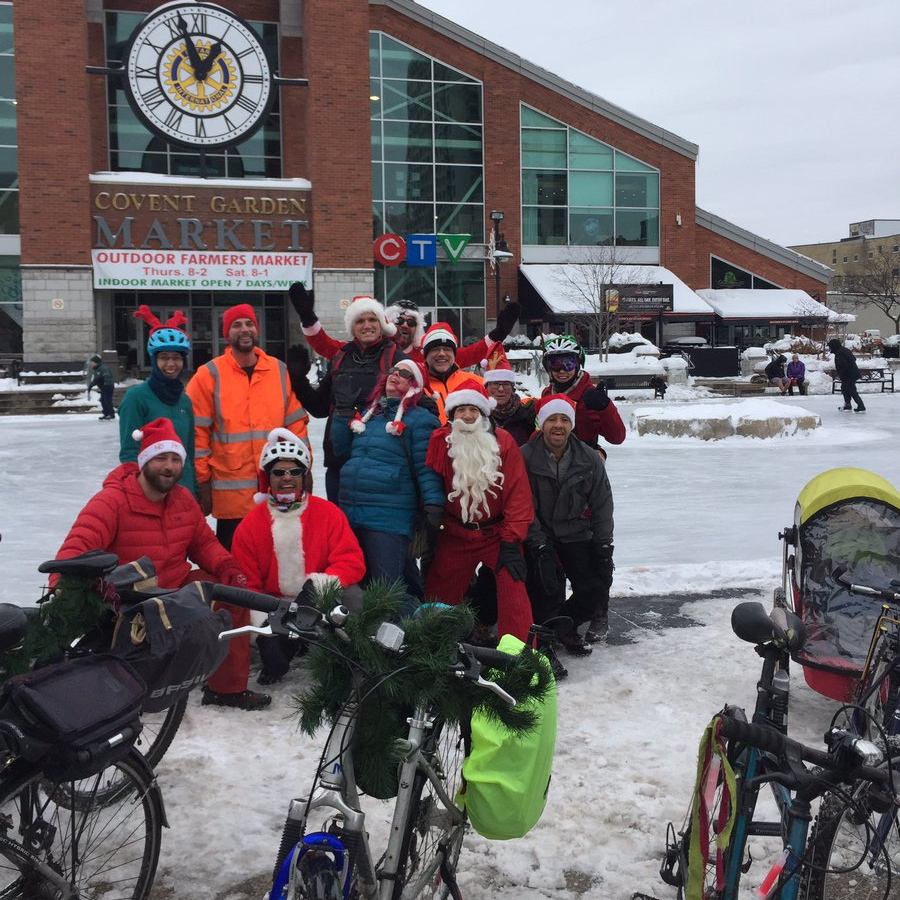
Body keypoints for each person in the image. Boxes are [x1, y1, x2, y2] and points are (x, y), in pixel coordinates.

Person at [53, 418, 271, 711]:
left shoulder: (182, 499)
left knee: (225, 592)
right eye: (160, 458)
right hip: (131, 596)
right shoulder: (112, 501)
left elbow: (203, 543)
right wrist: (62, 590)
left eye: (174, 459)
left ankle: (226, 688)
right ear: (144, 461)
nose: (168, 466)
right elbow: (75, 548)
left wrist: (227, 566)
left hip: (175, 587)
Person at [231, 429, 366, 685]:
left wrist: (316, 588)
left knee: (354, 597)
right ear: (267, 478)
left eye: (294, 472)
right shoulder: (250, 525)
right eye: (278, 472)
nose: (287, 478)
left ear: (304, 477)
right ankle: (277, 645)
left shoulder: (328, 513)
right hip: (273, 605)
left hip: (317, 601)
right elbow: (245, 582)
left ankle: (349, 661)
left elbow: (351, 561)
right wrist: (262, 631)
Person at [185, 303, 310, 550]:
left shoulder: (277, 369)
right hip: (231, 497)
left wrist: (304, 467)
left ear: (257, 329)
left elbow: (295, 424)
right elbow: (197, 434)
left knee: (277, 562)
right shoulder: (208, 374)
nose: (244, 329)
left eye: (249, 323)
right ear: (226, 334)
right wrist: (202, 483)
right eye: (236, 325)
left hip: (277, 488)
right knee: (234, 567)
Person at [423, 379, 534, 642]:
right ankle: (432, 649)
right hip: (455, 533)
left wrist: (511, 540)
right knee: (438, 594)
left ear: (484, 414)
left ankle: (518, 655)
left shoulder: (504, 442)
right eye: (461, 410)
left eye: (474, 410)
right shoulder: (440, 442)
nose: (468, 415)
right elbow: (429, 481)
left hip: (497, 534)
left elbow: (518, 496)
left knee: (513, 588)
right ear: (451, 415)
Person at [331, 358, 443, 599]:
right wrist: (342, 412)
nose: (395, 375)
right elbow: (340, 451)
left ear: (416, 384)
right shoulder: (370, 415)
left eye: (405, 373)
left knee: (384, 591)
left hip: (388, 517)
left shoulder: (420, 419)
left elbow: (427, 467)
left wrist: (434, 505)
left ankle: (403, 633)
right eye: (393, 370)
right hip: (353, 512)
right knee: (362, 584)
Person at [521, 395, 615, 676]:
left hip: (575, 533)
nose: (558, 425)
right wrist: (537, 542)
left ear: (571, 425)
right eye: (552, 419)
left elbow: (602, 503)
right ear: (542, 423)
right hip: (541, 534)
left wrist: (603, 543)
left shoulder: (588, 458)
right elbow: (521, 505)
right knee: (545, 583)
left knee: (597, 585)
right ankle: (543, 643)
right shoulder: (524, 456)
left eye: (564, 420)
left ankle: (565, 627)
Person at [288, 294, 407, 502]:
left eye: (372, 320)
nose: (367, 325)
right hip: (339, 463)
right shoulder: (341, 357)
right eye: (360, 321)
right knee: (339, 526)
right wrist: (299, 381)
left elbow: (412, 405)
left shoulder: (397, 358)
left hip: (379, 461)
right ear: (352, 328)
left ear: (381, 324)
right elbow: (320, 408)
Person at [288, 280, 521, 366]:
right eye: (400, 319)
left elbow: (469, 355)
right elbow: (326, 346)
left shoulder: (426, 354)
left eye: (411, 321)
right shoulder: (370, 350)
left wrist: (498, 333)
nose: (405, 325)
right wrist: (309, 319)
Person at [118, 306, 196, 496]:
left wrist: (196, 490)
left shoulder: (184, 401)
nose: (171, 364)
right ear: (154, 360)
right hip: (151, 492)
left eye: (176, 358)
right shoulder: (136, 397)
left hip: (183, 493)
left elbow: (189, 452)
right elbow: (129, 452)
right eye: (164, 358)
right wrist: (137, 494)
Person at [540, 335, 625, 454]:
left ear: (579, 364)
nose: (562, 371)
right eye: (555, 365)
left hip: (583, 465)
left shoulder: (590, 396)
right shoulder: (547, 394)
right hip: (550, 465)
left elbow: (617, 437)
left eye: (568, 364)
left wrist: (606, 408)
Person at [420, 323, 490, 423]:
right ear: (426, 355)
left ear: (454, 354)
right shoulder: (415, 385)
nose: (441, 354)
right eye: (435, 349)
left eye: (447, 349)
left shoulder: (476, 382)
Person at [484, 351, 536, 446]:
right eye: (495, 384)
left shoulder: (526, 416)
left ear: (512, 389)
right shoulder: (477, 416)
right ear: (486, 388)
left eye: (506, 384)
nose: (501, 389)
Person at [828, 338, 866, 412]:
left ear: (834, 346)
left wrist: (841, 374)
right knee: (845, 389)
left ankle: (861, 405)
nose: (830, 349)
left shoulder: (840, 353)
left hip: (849, 375)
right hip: (850, 374)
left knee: (851, 390)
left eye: (830, 347)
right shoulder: (842, 350)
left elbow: (844, 365)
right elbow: (852, 359)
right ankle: (848, 404)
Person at [89, 353, 116, 420]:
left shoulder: (103, 368)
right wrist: (91, 385)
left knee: (107, 400)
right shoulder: (96, 369)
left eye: (92, 362)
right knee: (103, 400)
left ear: (96, 362)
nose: (91, 364)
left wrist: (105, 384)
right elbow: (96, 379)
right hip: (103, 387)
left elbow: (107, 377)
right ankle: (106, 414)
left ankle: (111, 414)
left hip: (108, 386)